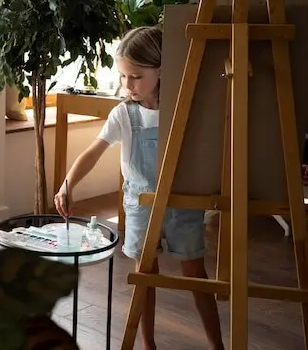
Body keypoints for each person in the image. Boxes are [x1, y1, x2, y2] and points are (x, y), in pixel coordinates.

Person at [53, 26, 224, 350]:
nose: (127, 84)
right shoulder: (123, 115)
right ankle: (148, 345)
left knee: (196, 275)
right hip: (140, 206)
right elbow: (93, 152)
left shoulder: (182, 110)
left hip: (183, 203)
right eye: (122, 76)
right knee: (145, 275)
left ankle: (218, 345)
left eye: (135, 76)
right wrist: (67, 185)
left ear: (161, 71)